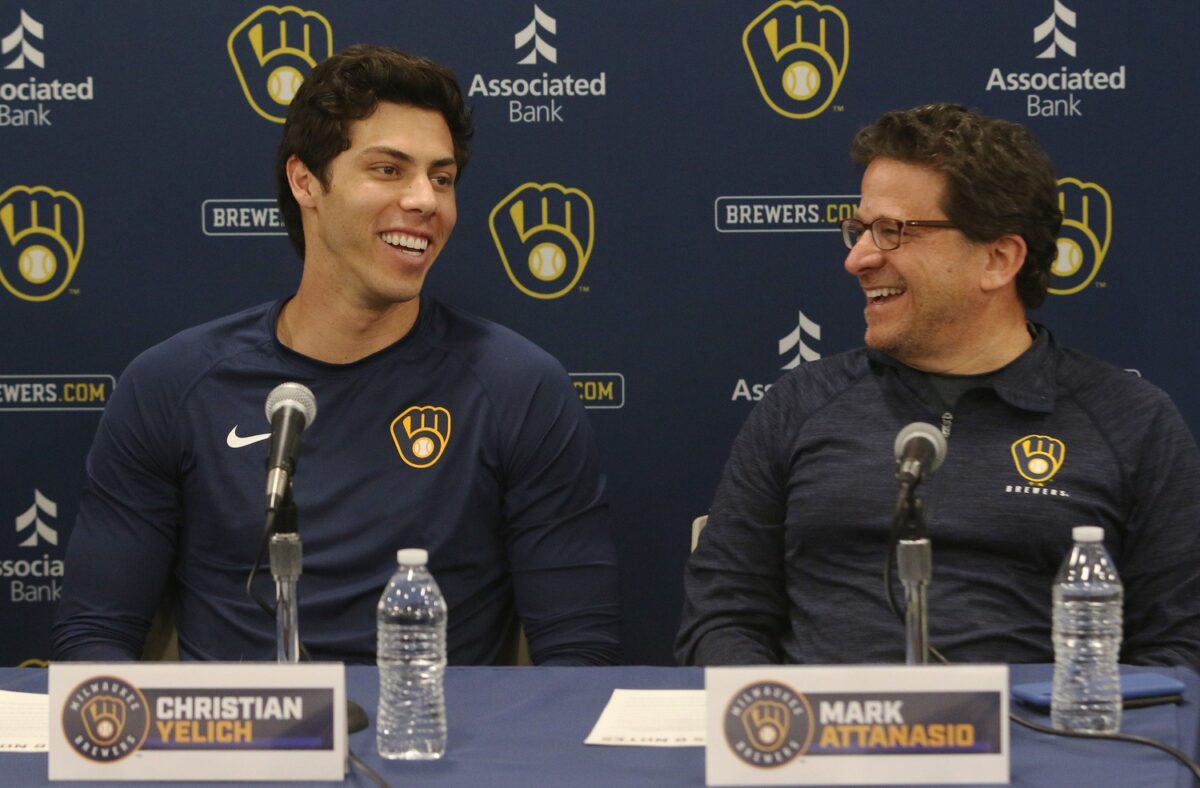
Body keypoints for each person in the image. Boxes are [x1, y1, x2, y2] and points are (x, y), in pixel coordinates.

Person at [53, 45, 621, 666]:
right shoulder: (172, 386)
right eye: (388, 170)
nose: (426, 201)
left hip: (432, 747)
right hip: (231, 750)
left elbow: (578, 657)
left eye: (442, 177)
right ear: (306, 181)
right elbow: (95, 642)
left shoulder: (519, 388)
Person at [676, 102, 1200, 669]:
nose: (858, 259)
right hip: (822, 744)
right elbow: (723, 614)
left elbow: (1180, 648)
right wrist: (780, 727)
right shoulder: (799, 404)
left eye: (892, 231)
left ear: (998, 259)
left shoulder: (1131, 421)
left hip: (1037, 747)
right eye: (858, 230)